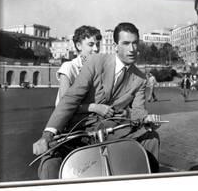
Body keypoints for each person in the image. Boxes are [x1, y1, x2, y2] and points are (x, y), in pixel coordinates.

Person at [33, 22, 161, 179]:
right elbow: (70, 99)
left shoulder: (140, 78)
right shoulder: (96, 62)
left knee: (151, 138)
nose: (132, 49)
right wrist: (48, 134)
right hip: (81, 131)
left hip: (115, 132)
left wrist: (146, 119)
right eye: (126, 43)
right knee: (50, 163)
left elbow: (138, 111)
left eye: (135, 43)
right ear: (115, 46)